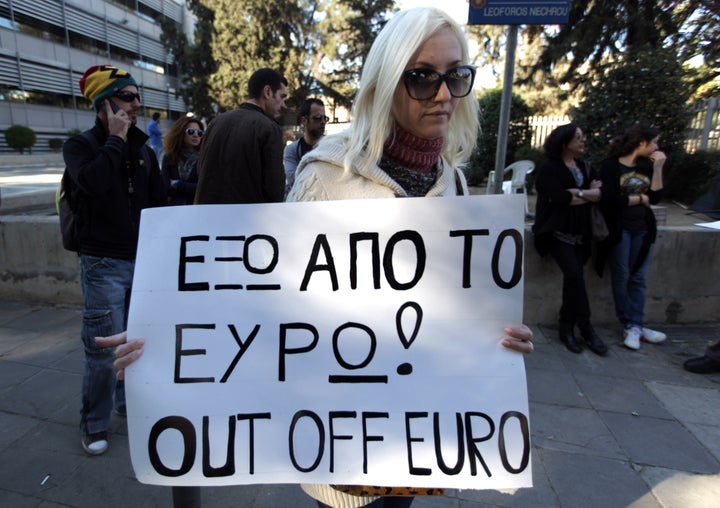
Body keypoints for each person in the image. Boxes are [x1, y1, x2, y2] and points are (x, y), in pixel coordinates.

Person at [100, 7, 533, 506]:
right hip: (341, 444)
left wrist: (498, 339)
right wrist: (166, 340)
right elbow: (265, 304)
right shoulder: (326, 177)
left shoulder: (454, 182)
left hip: (418, 438)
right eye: (422, 78)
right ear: (386, 82)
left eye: (456, 77)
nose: (442, 94)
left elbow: (459, 306)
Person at [63, 64, 166, 456]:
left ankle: (128, 404)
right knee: (104, 349)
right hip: (102, 262)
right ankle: (93, 423)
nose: (137, 104)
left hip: (141, 261)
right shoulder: (80, 147)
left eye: (138, 97)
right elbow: (91, 184)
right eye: (128, 97)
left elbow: (159, 203)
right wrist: (115, 141)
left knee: (136, 344)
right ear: (105, 104)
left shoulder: (142, 148)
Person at [532, 123, 608, 356]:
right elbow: (560, 198)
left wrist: (578, 194)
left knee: (574, 282)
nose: (583, 141)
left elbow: (600, 194)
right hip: (557, 235)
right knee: (575, 276)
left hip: (582, 236)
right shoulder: (549, 169)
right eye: (578, 138)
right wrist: (586, 193)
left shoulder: (586, 167)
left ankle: (568, 328)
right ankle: (584, 328)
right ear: (564, 143)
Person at [597, 123, 667, 350]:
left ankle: (636, 324)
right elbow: (608, 200)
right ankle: (628, 324)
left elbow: (655, 197)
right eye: (654, 142)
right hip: (619, 230)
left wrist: (658, 168)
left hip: (643, 229)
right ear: (641, 142)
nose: (656, 146)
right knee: (622, 274)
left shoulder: (647, 166)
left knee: (638, 277)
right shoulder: (610, 167)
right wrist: (638, 199)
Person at [194, 68, 287, 204]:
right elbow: (274, 189)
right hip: (247, 219)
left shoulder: (216, 122)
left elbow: (201, 170)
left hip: (207, 217)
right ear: (267, 92)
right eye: (282, 97)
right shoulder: (269, 128)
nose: (283, 104)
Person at [284, 98, 327, 193]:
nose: (323, 122)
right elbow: (293, 180)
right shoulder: (292, 150)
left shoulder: (332, 146)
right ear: (304, 120)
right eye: (318, 118)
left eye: (325, 118)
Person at [161, 115, 205, 205]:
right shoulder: (169, 157)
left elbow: (204, 188)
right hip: (174, 210)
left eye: (200, 133)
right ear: (181, 132)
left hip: (198, 208)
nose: (196, 135)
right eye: (191, 131)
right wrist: (191, 187)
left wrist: (178, 184)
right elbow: (166, 188)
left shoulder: (204, 158)